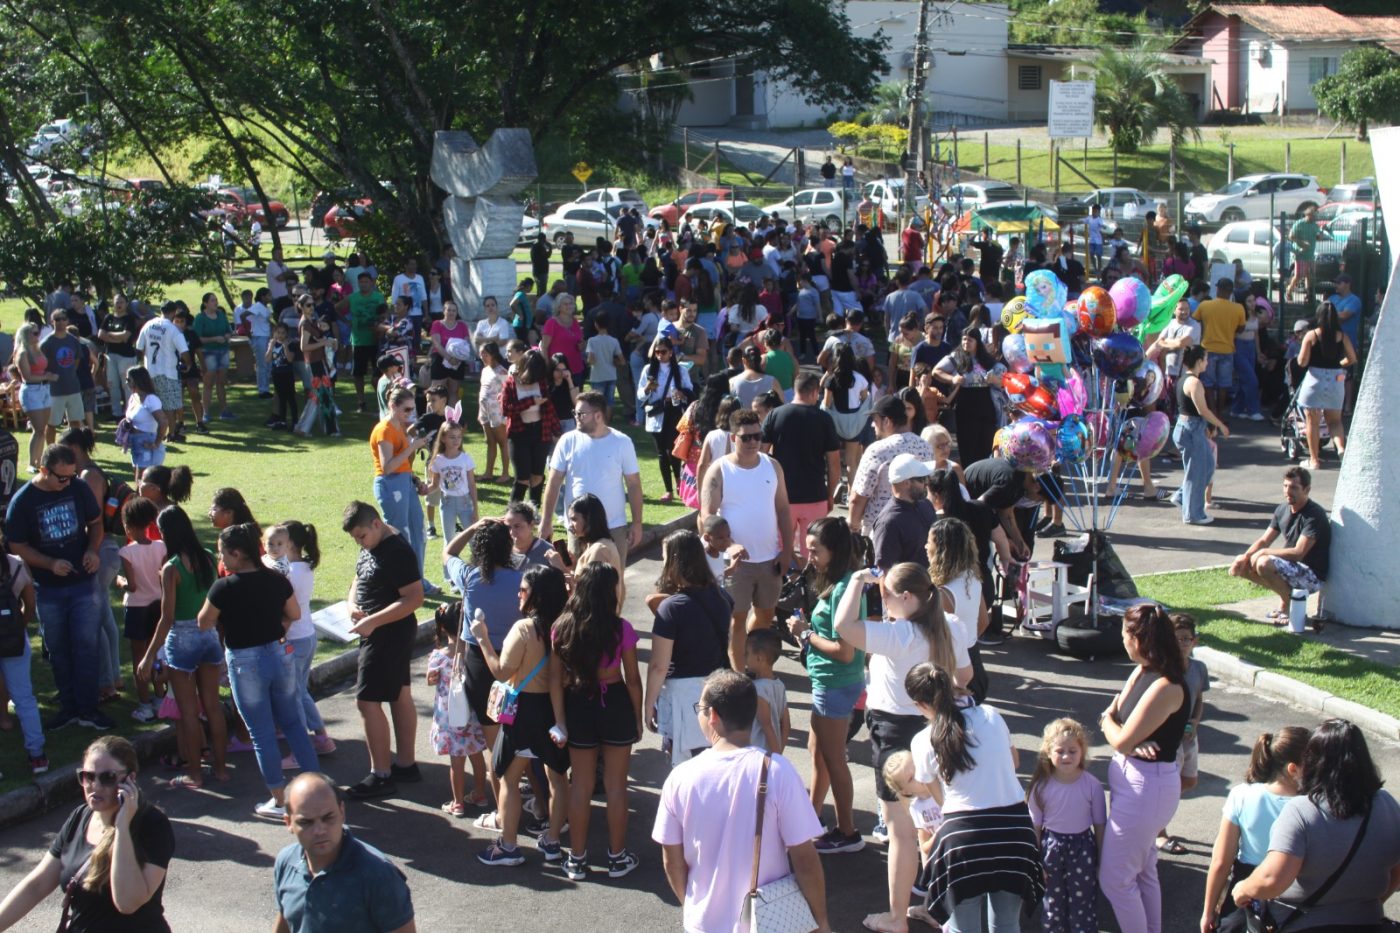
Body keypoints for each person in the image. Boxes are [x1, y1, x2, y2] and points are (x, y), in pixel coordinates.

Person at [834, 563, 970, 931]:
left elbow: (843, 627)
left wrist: (856, 580)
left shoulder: (900, 636)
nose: (884, 601)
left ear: (907, 597)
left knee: (902, 832)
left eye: (886, 595)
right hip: (937, 726)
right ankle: (944, 908)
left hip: (896, 737)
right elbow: (966, 676)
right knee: (940, 823)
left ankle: (897, 918)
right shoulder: (950, 625)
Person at [651, 668, 829, 931]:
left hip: (704, 923)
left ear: (712, 716)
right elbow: (805, 860)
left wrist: (693, 907)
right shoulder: (778, 771)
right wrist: (821, 922)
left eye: (699, 707)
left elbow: (672, 861)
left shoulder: (680, 779)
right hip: (769, 920)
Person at [906, 661, 1042, 929]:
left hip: (963, 841)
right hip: (1015, 833)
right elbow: (1014, 761)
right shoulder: (991, 714)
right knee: (1006, 924)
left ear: (920, 704)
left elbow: (939, 799)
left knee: (961, 928)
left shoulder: (923, 740)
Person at [1231, 719, 1400, 929]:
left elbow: (1272, 879)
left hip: (1303, 923)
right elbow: (1396, 872)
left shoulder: (1301, 811)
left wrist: (1243, 889)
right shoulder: (1387, 804)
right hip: (1368, 921)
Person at [201, 523, 319, 818]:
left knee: (261, 733)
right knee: (293, 723)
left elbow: (204, 621)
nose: (222, 560)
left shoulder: (223, 587)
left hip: (244, 662)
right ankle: (319, 789)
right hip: (280, 655)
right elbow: (294, 613)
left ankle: (279, 801)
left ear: (237, 554)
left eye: (223, 554)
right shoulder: (277, 580)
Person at [0, 736, 174, 931]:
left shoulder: (152, 825)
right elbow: (37, 885)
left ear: (130, 779)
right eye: (88, 776)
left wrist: (122, 827)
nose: (95, 786)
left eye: (107, 777)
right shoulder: (80, 816)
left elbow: (127, 903)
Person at [470, 564, 571, 867]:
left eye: (523, 589)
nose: (519, 594)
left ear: (536, 595)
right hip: (556, 711)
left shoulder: (525, 629)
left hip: (524, 711)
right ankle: (553, 841)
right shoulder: (566, 626)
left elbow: (502, 670)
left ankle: (509, 846)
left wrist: (483, 638)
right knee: (558, 779)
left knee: (508, 777)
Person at [549, 562, 644, 881]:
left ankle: (576, 860)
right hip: (614, 703)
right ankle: (617, 858)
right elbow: (632, 679)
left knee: (581, 785)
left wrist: (560, 720)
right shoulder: (621, 629)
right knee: (616, 785)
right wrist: (638, 718)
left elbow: (555, 680)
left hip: (578, 704)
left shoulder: (561, 627)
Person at [1098, 605, 1189, 933]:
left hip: (1146, 791)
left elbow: (1116, 730)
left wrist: (1109, 722)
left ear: (1138, 638)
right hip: (1134, 786)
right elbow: (1121, 731)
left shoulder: (1166, 686)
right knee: (1143, 870)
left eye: (1125, 634)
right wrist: (1119, 732)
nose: (1122, 640)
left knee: (1115, 881)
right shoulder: (1141, 670)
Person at [5, 443, 108, 731]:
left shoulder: (78, 488)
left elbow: (96, 523)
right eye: (61, 478)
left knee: (87, 646)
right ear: (43, 470)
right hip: (48, 589)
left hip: (83, 584)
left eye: (71, 476)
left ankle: (89, 708)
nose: (67, 483)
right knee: (58, 649)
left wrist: (92, 550)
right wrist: (49, 564)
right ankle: (69, 706)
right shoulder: (23, 501)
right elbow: (17, 544)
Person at [785, 516, 865, 855]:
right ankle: (812, 818)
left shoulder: (846, 589)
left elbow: (845, 652)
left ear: (835, 551)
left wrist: (804, 633)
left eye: (815, 550)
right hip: (827, 682)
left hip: (836, 683)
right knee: (817, 752)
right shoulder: (838, 583)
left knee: (834, 758)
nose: (809, 555)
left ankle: (848, 833)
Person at [138, 506, 228, 787]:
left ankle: (195, 773)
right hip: (209, 634)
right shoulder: (210, 558)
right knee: (213, 706)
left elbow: (167, 618)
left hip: (182, 638)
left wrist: (149, 654)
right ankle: (222, 768)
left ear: (166, 533)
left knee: (188, 712)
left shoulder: (171, 568)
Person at [342, 501, 425, 800]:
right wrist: (352, 605)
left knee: (367, 702)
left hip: (387, 634)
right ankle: (405, 765)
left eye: (361, 536)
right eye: (355, 539)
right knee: (399, 694)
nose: (360, 543)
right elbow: (358, 577)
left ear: (376, 524)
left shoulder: (397, 551)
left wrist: (373, 622)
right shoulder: (372, 543)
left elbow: (415, 598)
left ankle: (381, 775)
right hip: (376, 630)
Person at [699, 408, 793, 667]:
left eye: (757, 436)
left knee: (766, 615)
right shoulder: (720, 470)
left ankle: (746, 654)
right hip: (735, 563)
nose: (753, 442)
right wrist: (730, 545)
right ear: (732, 438)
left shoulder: (772, 465)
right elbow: (706, 515)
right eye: (746, 437)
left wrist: (786, 551)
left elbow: (784, 509)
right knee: (736, 618)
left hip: (769, 558)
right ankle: (739, 673)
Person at [273, 771, 416, 933]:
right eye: (306, 822)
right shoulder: (286, 861)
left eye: (328, 818)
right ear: (288, 822)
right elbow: (285, 920)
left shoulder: (377, 875)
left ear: (342, 812)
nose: (319, 830)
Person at [1199, 727, 1307, 932]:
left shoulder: (1241, 795)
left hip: (1245, 891)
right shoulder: (1311, 805)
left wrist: (1208, 911)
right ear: (1293, 768)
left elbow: (1221, 862)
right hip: (1295, 894)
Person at [643, 530, 733, 765]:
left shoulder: (671, 608)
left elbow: (658, 666)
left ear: (674, 561)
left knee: (685, 770)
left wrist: (648, 704)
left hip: (684, 698)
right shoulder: (723, 597)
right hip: (718, 692)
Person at [540, 390, 644, 561]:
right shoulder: (567, 441)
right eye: (575, 413)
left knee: (615, 581)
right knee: (579, 579)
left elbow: (633, 484)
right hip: (577, 528)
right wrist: (546, 521)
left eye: (581, 414)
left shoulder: (622, 442)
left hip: (613, 526)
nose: (576, 417)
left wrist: (637, 523)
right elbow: (553, 482)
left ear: (598, 415)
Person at [264, 521, 336, 760]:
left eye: (279, 542)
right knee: (301, 692)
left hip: (293, 639)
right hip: (306, 636)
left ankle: (300, 750)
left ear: (290, 544)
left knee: (293, 697)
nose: (274, 547)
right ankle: (321, 737)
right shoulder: (304, 567)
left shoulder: (289, 573)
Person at [1027, 718, 1106, 933]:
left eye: (1072, 751)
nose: (1066, 756)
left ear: (1082, 751)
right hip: (1051, 848)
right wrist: (1036, 862)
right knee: (1053, 901)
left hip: (1083, 849)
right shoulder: (1040, 787)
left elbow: (1100, 825)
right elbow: (1035, 827)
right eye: (1060, 751)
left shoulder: (1092, 785)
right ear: (1048, 752)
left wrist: (1102, 858)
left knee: (1083, 903)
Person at [1228, 467, 1330, 625]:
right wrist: (1244, 558)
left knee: (1263, 563)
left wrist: (1263, 552)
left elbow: (1298, 553)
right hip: (1291, 567)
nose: (1288, 492)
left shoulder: (1314, 515)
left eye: (1294, 487)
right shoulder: (1282, 510)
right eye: (1285, 486)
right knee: (1244, 566)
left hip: (1312, 575)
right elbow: (1264, 540)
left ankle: (1289, 604)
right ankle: (1287, 601)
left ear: (1307, 489)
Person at [761, 372, 841, 561]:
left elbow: (761, 455)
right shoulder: (824, 419)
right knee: (813, 552)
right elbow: (834, 463)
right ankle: (810, 586)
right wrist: (830, 494)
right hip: (815, 495)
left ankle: (782, 585)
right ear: (815, 392)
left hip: (782, 497)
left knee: (780, 549)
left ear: (795, 389)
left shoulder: (775, 415)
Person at [371, 387, 432, 590]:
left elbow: (403, 465)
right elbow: (387, 467)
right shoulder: (384, 430)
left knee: (418, 532)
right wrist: (412, 448)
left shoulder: (399, 428)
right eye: (406, 409)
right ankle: (400, 585)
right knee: (400, 535)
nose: (410, 414)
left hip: (405, 482)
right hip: (391, 486)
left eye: (412, 409)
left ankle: (418, 580)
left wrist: (415, 481)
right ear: (393, 406)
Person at [849, 396, 933, 537]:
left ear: (887, 421)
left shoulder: (877, 450)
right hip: (919, 527)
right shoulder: (925, 446)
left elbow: (858, 497)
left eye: (875, 420)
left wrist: (853, 527)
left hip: (882, 530)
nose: (872, 425)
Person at [1171, 345, 1230, 526]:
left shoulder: (1185, 379)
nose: (1207, 362)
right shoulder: (1194, 383)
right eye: (1205, 359)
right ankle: (1193, 514)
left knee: (1205, 467)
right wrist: (1220, 425)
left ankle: (1182, 497)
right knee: (1197, 471)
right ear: (1198, 361)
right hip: (1190, 429)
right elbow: (1202, 410)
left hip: (1189, 427)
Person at [1295, 301, 1356, 471]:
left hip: (1315, 379)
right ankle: (1341, 449)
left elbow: (1302, 361)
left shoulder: (1312, 335)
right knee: (1335, 421)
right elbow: (1352, 358)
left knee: (1312, 421)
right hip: (1336, 379)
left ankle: (1314, 460)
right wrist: (1339, 363)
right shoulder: (1342, 336)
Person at [932, 327, 1005, 467]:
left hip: (985, 401)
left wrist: (993, 379)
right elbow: (936, 371)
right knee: (967, 441)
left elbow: (1002, 381)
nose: (966, 342)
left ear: (977, 342)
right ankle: (969, 473)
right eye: (964, 339)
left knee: (986, 439)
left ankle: (986, 470)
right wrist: (952, 379)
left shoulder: (986, 359)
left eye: (970, 340)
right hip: (965, 401)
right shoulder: (956, 357)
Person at [502, 348, 560, 507]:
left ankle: (533, 513)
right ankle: (513, 514)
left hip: (541, 432)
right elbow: (506, 409)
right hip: (519, 434)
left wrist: (558, 432)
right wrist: (531, 402)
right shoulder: (511, 384)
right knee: (522, 477)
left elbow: (549, 408)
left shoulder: (541, 383)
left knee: (537, 476)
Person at [1192, 278, 1245, 421]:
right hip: (1227, 349)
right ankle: (1219, 413)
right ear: (1231, 292)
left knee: (1208, 382)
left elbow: (1195, 319)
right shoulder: (1238, 308)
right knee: (1224, 384)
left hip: (1207, 349)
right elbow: (1241, 328)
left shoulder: (1205, 305)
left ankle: (1212, 411)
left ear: (1218, 289)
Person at [13, 322, 57, 471]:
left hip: (44, 389)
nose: (37, 335)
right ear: (26, 335)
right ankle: (32, 463)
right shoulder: (23, 353)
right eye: (34, 333)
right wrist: (47, 376)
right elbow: (27, 377)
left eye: (38, 332)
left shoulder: (37, 349)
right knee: (38, 429)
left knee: (42, 428)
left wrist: (47, 377)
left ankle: (39, 461)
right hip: (32, 391)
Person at [39, 310, 86, 438]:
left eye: (63, 319)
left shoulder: (73, 341)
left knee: (76, 422)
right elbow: (41, 366)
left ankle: (74, 450)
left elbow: (76, 361)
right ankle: (51, 452)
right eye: (57, 319)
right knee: (52, 424)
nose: (60, 322)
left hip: (73, 387)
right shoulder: (46, 343)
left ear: (67, 321)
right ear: (51, 321)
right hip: (54, 390)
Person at [98, 293, 142, 420]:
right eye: (117, 302)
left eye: (121, 302)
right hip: (111, 355)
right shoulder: (109, 317)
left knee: (127, 385)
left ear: (126, 304)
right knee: (112, 384)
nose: (119, 304)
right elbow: (101, 334)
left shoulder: (129, 318)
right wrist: (117, 338)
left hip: (126, 356)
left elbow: (126, 336)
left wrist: (110, 335)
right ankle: (116, 412)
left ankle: (130, 413)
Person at [192, 292, 234, 423]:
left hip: (223, 351)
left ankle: (224, 411)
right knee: (208, 383)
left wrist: (227, 336)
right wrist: (214, 339)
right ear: (205, 304)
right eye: (212, 301)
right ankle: (205, 413)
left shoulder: (221, 315)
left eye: (216, 300)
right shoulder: (200, 318)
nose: (215, 302)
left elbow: (228, 330)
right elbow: (197, 338)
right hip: (208, 353)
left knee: (221, 382)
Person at [123, 367, 167, 480]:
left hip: (147, 442)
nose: (126, 382)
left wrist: (156, 444)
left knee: (145, 480)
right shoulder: (133, 397)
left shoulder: (151, 399)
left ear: (138, 380)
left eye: (129, 380)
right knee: (138, 478)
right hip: (135, 442)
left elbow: (163, 422)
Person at [1285, 204, 1319, 301]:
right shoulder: (1299, 224)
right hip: (1300, 254)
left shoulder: (1314, 225)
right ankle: (1288, 291)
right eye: (1313, 215)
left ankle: (1309, 294)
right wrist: (1302, 243)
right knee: (1299, 275)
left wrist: (1319, 236)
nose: (1315, 217)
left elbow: (1318, 235)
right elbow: (1291, 236)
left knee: (1310, 275)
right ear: (1308, 215)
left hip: (1310, 254)